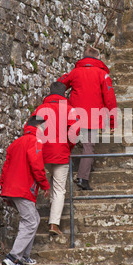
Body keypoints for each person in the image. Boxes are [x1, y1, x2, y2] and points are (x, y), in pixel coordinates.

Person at [58, 45, 117, 190]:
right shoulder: (102, 74)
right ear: (98, 58)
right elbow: (110, 99)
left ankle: (59, 177)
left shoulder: (75, 72)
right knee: (88, 147)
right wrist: (112, 122)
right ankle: (82, 178)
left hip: (73, 116)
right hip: (93, 117)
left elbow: (59, 85)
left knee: (65, 144)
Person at [0, 115, 50, 265]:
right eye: (44, 127)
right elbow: (36, 165)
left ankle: (24, 255)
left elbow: (6, 167)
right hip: (23, 189)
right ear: (38, 127)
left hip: (11, 188)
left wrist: (4, 187)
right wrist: (45, 185)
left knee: (33, 217)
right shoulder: (34, 141)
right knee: (30, 221)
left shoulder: (16, 143)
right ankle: (13, 258)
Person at [31, 81, 80, 236]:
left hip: (43, 153)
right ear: (64, 94)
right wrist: (69, 146)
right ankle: (54, 224)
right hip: (60, 152)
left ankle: (46, 217)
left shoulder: (40, 109)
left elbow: (32, 129)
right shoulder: (69, 109)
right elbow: (74, 131)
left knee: (51, 184)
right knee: (59, 189)